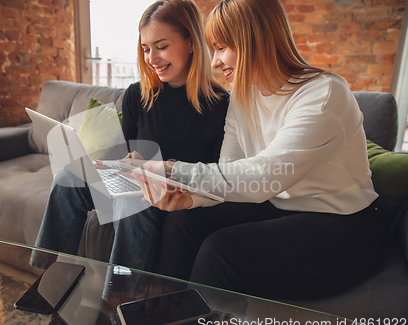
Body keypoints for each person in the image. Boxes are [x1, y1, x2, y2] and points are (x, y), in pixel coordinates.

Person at [133, 0, 387, 300]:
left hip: (344, 226)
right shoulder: (243, 95)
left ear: (255, 40)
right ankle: (156, 319)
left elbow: (265, 176)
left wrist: (175, 169)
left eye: (222, 47)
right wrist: (188, 195)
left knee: (221, 251)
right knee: (183, 222)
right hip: (279, 209)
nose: (214, 62)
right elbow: (230, 168)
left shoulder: (323, 94)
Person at [30, 0, 229, 272]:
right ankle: (46, 275)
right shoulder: (138, 95)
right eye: (146, 49)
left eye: (161, 46)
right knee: (68, 177)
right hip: (136, 182)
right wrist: (123, 160)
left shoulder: (221, 105)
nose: (151, 58)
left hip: (176, 193)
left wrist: (158, 171)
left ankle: (122, 297)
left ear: (192, 42)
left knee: (132, 204)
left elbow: (219, 174)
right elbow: (123, 153)